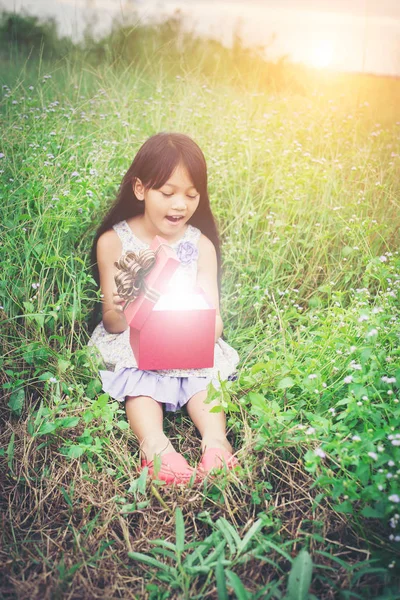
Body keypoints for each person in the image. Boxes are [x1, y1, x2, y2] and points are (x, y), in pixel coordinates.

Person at [88, 132, 240, 485]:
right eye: (168, 193)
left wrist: (196, 335)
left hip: (187, 333)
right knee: (139, 380)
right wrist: (132, 306)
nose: (180, 205)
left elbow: (214, 315)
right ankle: (156, 448)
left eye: (191, 194)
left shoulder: (199, 245)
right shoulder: (114, 241)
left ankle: (216, 443)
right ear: (140, 189)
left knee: (204, 377)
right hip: (133, 335)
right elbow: (112, 320)